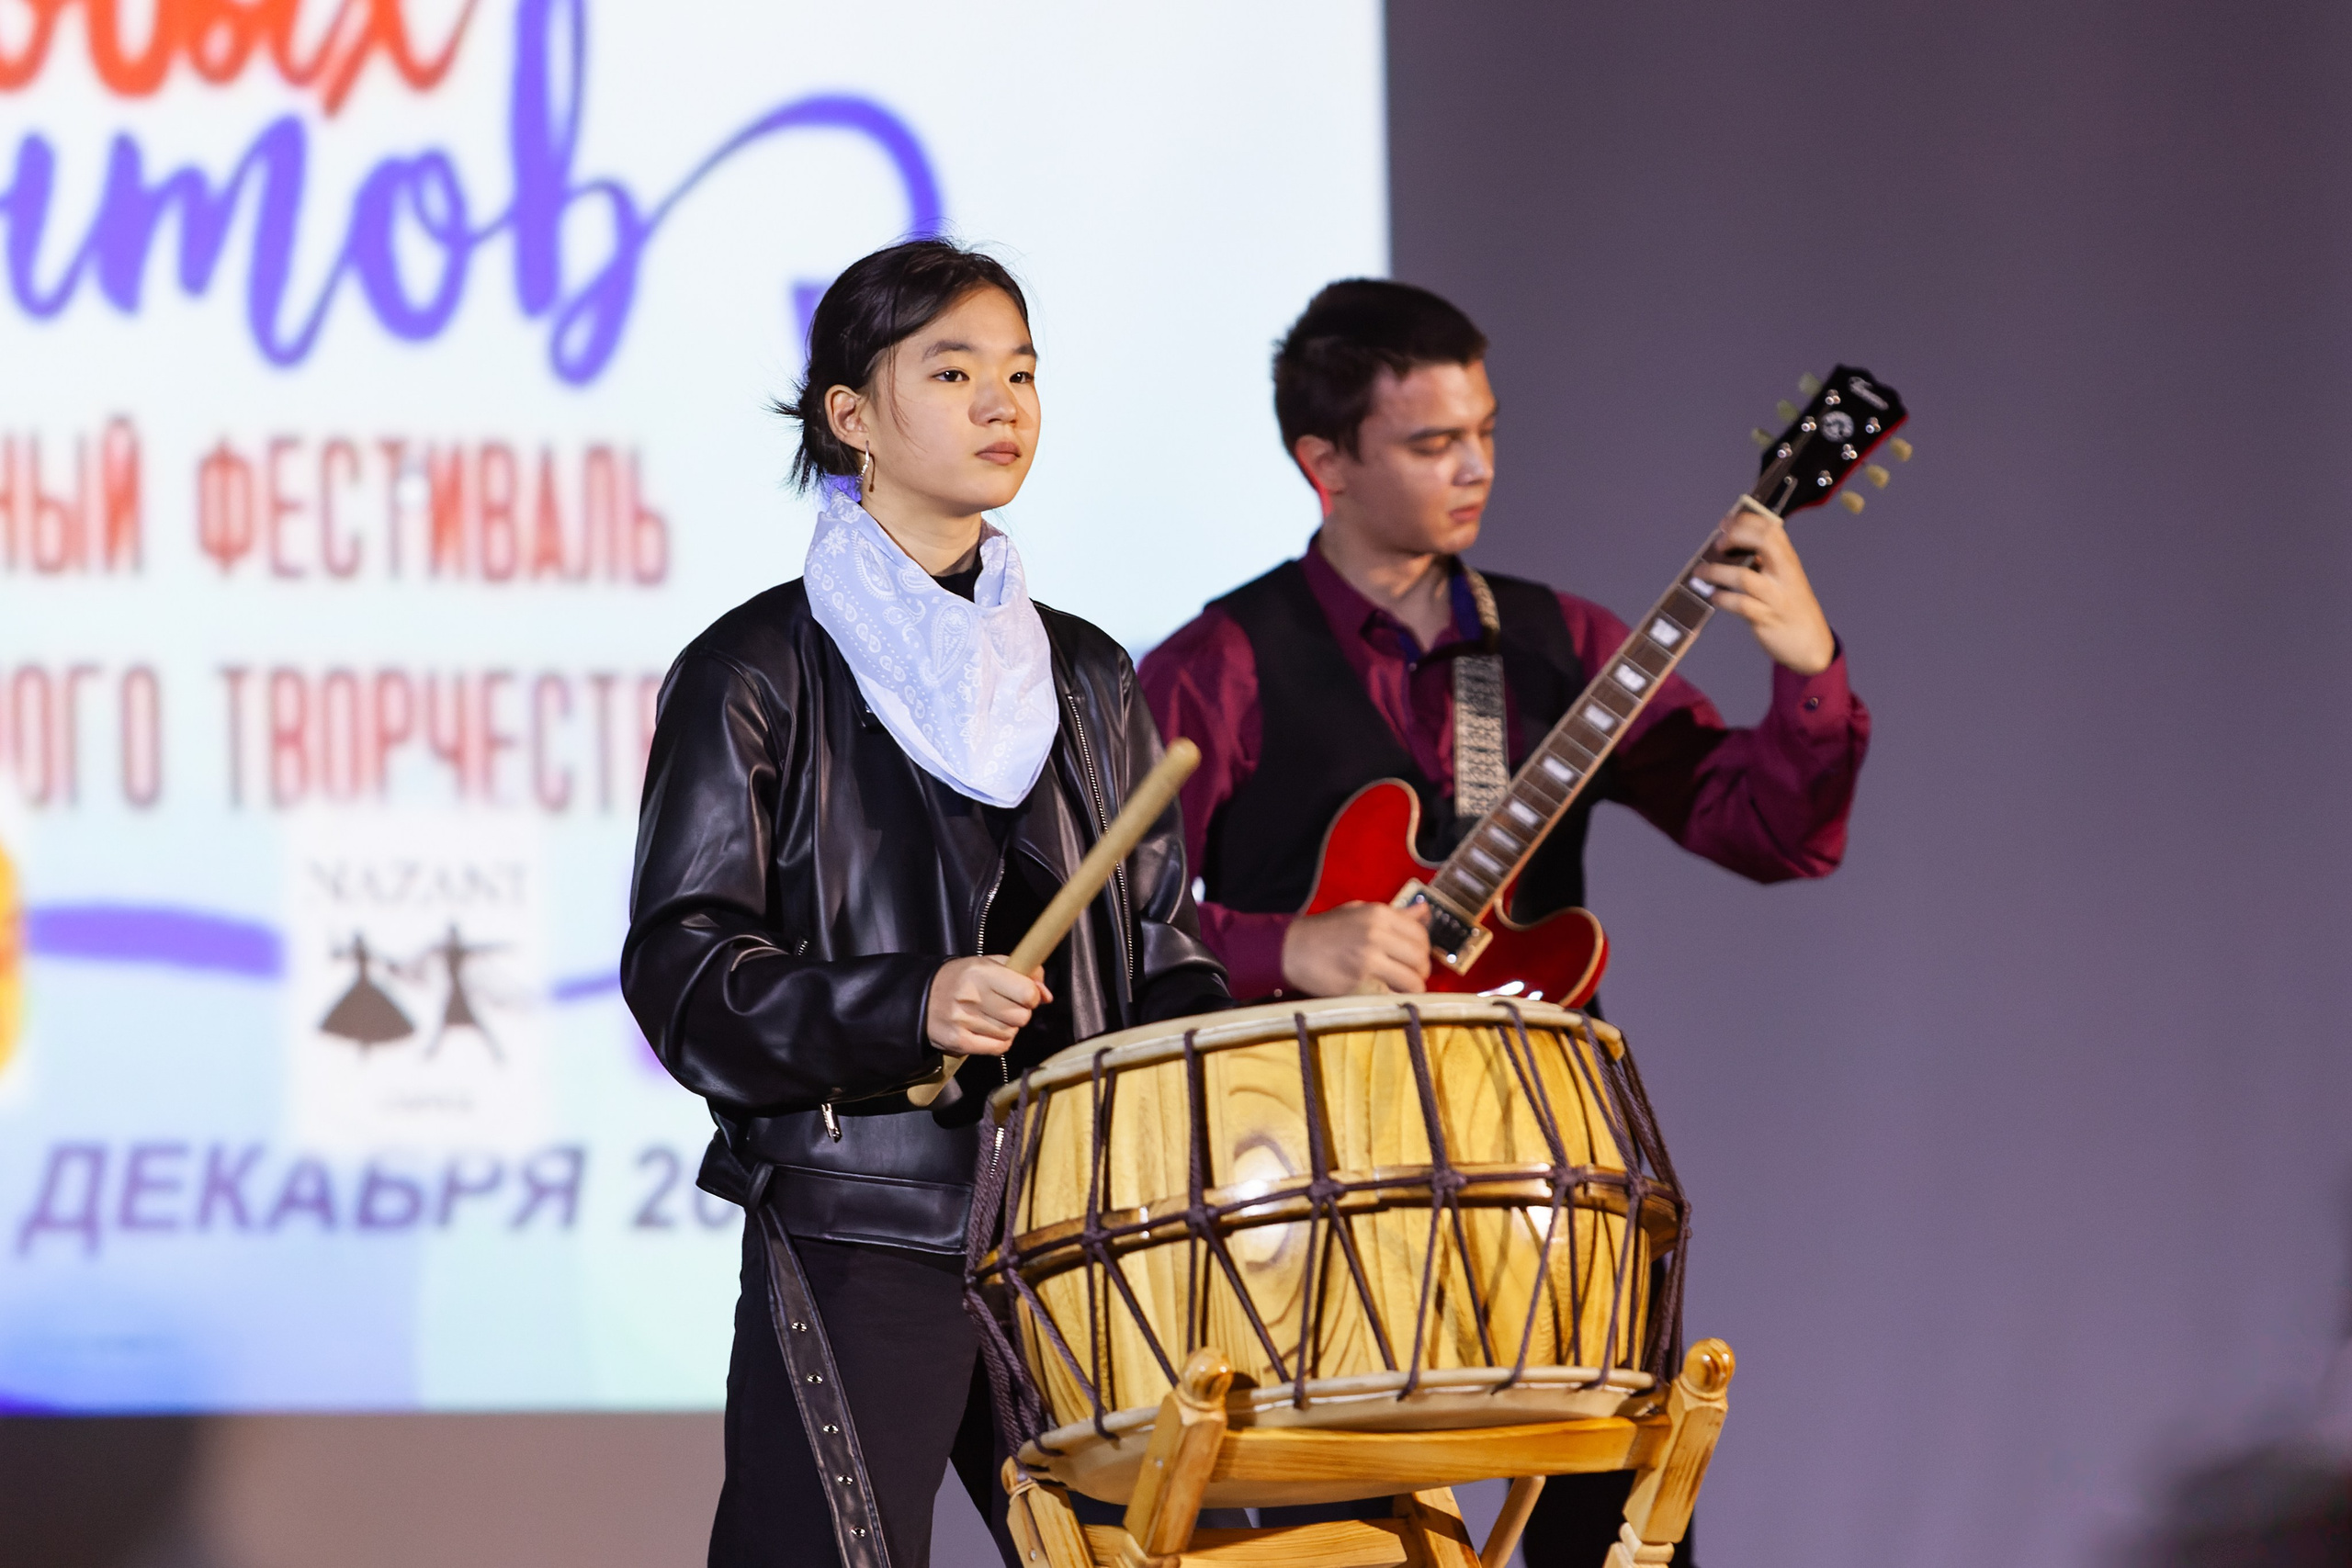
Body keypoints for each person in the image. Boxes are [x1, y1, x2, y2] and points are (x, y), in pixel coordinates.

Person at [1137, 278, 1871, 1563]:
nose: (1474, 466)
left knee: (1612, 1506)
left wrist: (1807, 669)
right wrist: (1285, 947)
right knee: (1345, 1533)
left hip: (1535, 1145)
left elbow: (1766, 834)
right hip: (1308, 1169)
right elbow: (1119, 933)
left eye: (1484, 429)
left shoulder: (1559, 643)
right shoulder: (1218, 664)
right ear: (1326, 463)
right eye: (1431, 443)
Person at [622, 239, 1227, 1568]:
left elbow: (1161, 946)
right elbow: (684, 970)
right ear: (852, 418)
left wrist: (1203, 1074)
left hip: (1073, 1234)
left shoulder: (1082, 673)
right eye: (954, 372)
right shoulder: (752, 668)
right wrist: (912, 1001)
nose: (1003, 404)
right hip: (861, 1221)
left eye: (1019, 372)